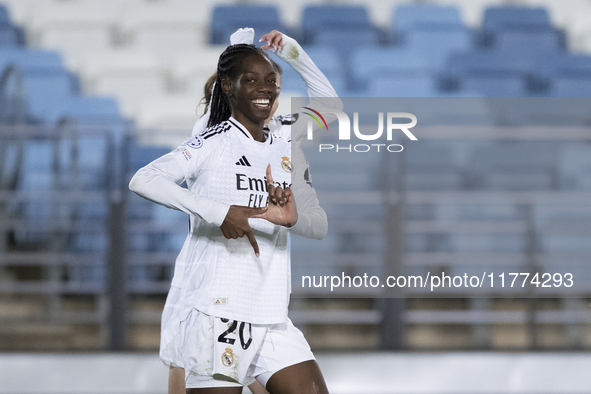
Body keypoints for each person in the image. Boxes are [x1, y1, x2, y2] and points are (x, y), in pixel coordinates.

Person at [130, 43, 329, 393]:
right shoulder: (212, 138)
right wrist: (219, 212)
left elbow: (329, 108)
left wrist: (294, 51)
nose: (266, 89)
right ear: (228, 87)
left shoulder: (284, 138)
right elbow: (143, 179)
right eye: (251, 80)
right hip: (218, 310)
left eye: (271, 82)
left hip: (271, 314)